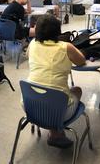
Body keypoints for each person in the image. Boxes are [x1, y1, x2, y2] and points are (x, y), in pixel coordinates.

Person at [26, 14, 86, 149]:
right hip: (57, 111)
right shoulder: (66, 47)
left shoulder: (32, 44)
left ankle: (54, 131)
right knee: (77, 90)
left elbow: (28, 55)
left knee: (48, 92)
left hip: (29, 105)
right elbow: (81, 61)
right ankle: (56, 133)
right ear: (58, 32)